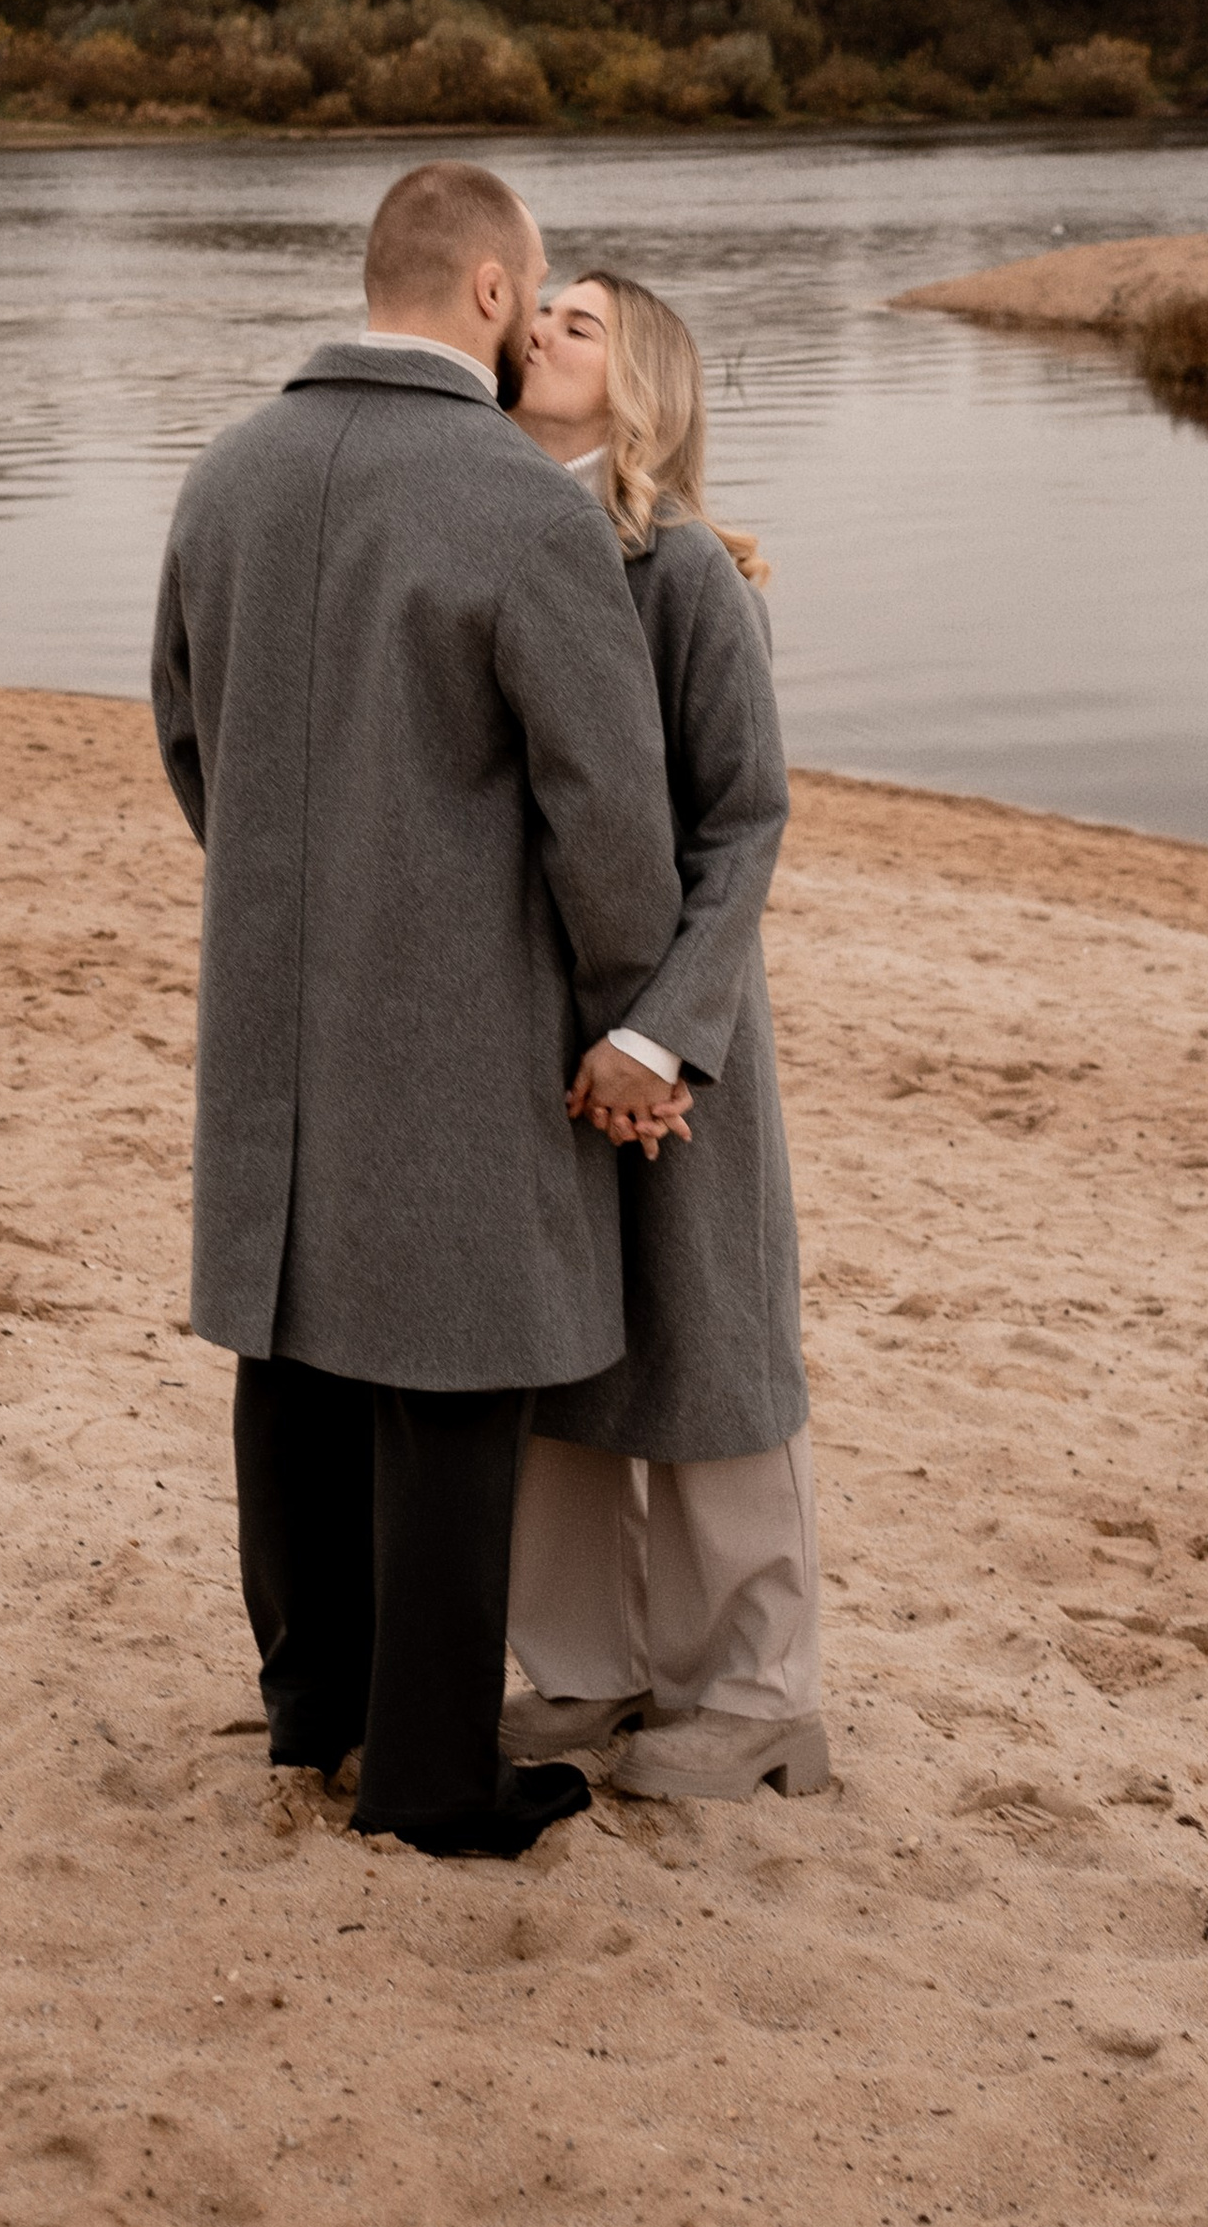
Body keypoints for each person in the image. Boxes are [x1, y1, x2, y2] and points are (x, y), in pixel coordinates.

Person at [150, 164, 687, 1859]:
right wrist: (630, 1008)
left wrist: (290, 898)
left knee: (293, 1350)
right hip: (462, 1012)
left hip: (274, 999)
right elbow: (609, 818)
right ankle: (435, 1777)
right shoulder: (521, 507)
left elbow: (188, 736)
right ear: (487, 293)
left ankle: (316, 1713)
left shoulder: (225, 474)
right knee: (454, 1380)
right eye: (535, 294)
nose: (537, 329)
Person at [500, 270, 827, 1800]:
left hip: (682, 1048)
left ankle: (756, 1699)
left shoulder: (687, 572)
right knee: (558, 1358)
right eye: (537, 312)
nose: (541, 330)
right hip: (532, 1031)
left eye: (580, 324)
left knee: (711, 1354)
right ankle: (585, 1676)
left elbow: (745, 823)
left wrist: (660, 1039)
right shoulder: (493, 533)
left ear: (644, 388)